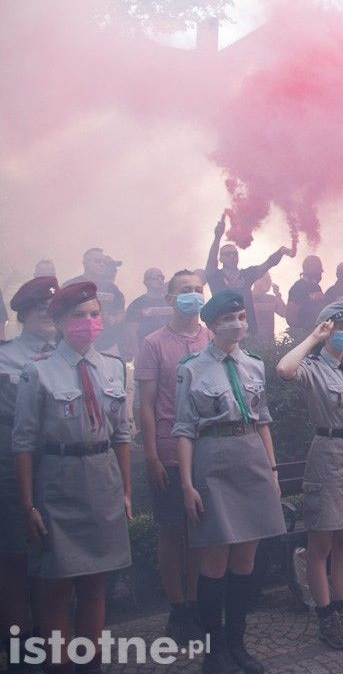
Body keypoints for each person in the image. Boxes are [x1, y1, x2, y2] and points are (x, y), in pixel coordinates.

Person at [13, 282, 132, 674]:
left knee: (96, 584)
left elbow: (122, 437)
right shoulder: (38, 371)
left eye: (95, 315)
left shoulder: (114, 367)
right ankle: (60, 666)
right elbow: (24, 442)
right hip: (58, 485)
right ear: (61, 321)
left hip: (102, 482)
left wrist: (127, 491)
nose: (89, 322)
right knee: (56, 589)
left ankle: (90, 666)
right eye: (79, 316)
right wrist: (28, 504)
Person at [174, 290, 286, 674]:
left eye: (241, 315)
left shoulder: (254, 364)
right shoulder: (191, 368)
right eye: (228, 318)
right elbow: (185, 430)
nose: (237, 323)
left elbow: (264, 419)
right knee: (215, 560)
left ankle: (237, 642)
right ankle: (214, 649)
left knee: (246, 559)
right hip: (213, 459)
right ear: (211, 324)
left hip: (250, 455)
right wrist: (187, 483)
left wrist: (272, 472)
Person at [277, 302, 343, 650]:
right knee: (320, 545)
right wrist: (313, 338)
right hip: (327, 454)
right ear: (326, 330)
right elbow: (284, 369)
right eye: (340, 326)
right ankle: (326, 617)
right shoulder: (313, 368)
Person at [134, 270, 211, 644]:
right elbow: (145, 405)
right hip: (167, 448)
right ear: (169, 299)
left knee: (200, 532)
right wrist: (150, 455)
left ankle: (197, 602)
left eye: (198, 290)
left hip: (207, 451)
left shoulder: (212, 337)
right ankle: (178, 608)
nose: (192, 296)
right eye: (184, 291)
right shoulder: (153, 343)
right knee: (171, 530)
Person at [0, 277, 58, 666]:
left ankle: (55, 640)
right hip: (9, 462)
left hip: (55, 464)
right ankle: (18, 644)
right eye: (40, 310)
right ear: (22, 316)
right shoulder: (5, 358)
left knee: (55, 553)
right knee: (16, 554)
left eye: (53, 310)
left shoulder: (66, 353)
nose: (48, 317)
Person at [205, 213, 290, 340]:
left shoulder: (247, 274)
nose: (232, 256)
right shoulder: (215, 276)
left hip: (249, 333)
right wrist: (217, 237)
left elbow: (267, 264)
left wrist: (280, 252)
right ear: (221, 259)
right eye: (228, 254)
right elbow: (211, 261)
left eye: (235, 253)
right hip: (223, 332)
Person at [64, 248, 126, 357]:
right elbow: (59, 315)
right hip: (77, 348)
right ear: (85, 264)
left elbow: (121, 312)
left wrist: (114, 319)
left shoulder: (112, 288)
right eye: (97, 261)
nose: (102, 265)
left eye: (104, 262)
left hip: (107, 347)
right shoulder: (70, 285)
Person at [125, 267, 173, 349]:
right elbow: (132, 333)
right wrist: (137, 353)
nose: (160, 280)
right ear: (146, 282)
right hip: (148, 350)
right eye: (156, 278)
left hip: (170, 349)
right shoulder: (136, 305)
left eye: (162, 277)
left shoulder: (172, 302)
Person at [286, 255, 327, 338]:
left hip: (317, 335)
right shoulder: (297, 288)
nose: (322, 270)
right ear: (310, 268)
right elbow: (290, 318)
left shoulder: (317, 287)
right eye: (319, 267)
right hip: (305, 338)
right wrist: (304, 332)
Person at [248, 275, 286, 346]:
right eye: (266, 281)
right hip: (251, 341)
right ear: (256, 281)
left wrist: (277, 295)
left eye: (269, 281)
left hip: (268, 342)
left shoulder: (271, 299)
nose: (269, 284)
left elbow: (284, 313)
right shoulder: (247, 298)